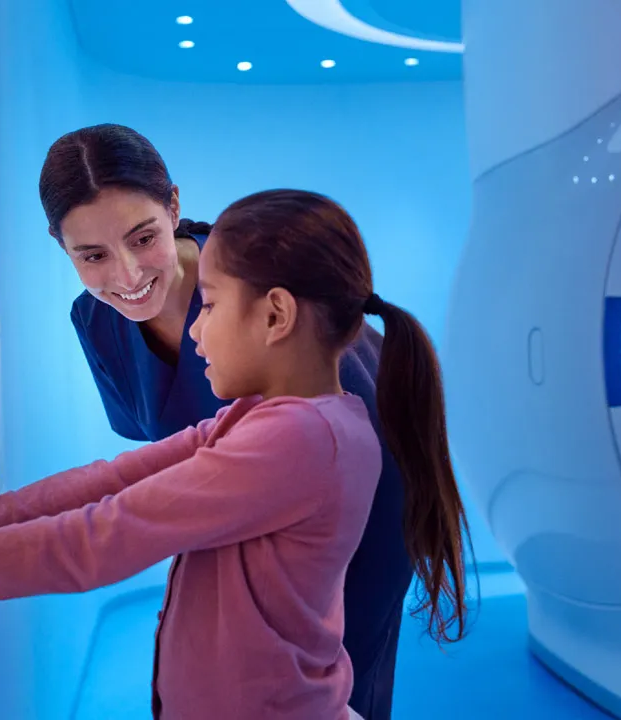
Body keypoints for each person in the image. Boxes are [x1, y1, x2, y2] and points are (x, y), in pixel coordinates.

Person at [0, 189, 474, 720]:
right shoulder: (270, 420)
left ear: (275, 317)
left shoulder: (296, 441)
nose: (193, 328)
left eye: (209, 304)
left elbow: (104, 536)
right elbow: (104, 484)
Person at [37, 124, 475, 719]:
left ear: (173, 205)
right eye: (91, 255)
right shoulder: (96, 321)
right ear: (60, 246)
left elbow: (348, 428)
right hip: (245, 528)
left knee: (331, 684)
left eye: (143, 238)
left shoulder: (258, 276)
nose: (127, 275)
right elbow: (148, 468)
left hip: (358, 509)